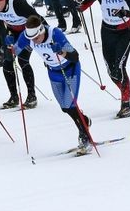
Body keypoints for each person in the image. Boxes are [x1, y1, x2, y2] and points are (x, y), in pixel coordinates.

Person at [15, 16, 93, 154]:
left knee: (70, 104)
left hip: (70, 70)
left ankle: (84, 134)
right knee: (64, 107)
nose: (34, 41)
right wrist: (11, 47)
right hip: (53, 72)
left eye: (37, 38)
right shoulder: (27, 36)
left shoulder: (55, 33)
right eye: (31, 38)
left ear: (41, 30)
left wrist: (61, 52)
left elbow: (75, 56)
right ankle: (84, 121)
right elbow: (15, 52)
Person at [0, 0, 40, 110]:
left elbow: (37, 18)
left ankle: (32, 96)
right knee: (7, 62)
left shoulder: (17, 3)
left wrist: (46, 35)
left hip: (28, 31)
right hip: (13, 32)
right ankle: (14, 97)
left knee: (22, 60)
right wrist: (3, 39)